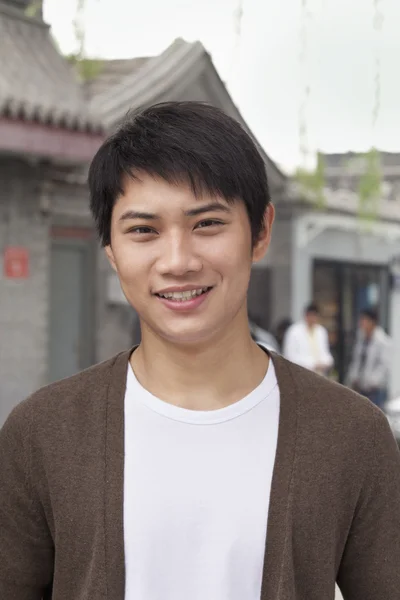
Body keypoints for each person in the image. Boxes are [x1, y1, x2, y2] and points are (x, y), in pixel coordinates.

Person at [1, 102, 400, 600]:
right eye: (143, 230)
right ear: (111, 251)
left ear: (260, 232)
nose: (177, 262)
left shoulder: (352, 435)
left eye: (207, 223)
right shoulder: (42, 433)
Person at [346, 307, 392, 409]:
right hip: (360, 388)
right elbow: (356, 360)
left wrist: (372, 382)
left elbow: (384, 367)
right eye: (361, 320)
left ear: (373, 322)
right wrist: (353, 378)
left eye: (364, 320)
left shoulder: (383, 341)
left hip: (375, 391)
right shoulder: (361, 338)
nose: (362, 323)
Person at [283, 302, 334, 375]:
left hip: (319, 375)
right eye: (310, 315)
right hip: (300, 374)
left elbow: (325, 353)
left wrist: (326, 362)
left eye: (315, 315)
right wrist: (313, 364)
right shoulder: (294, 331)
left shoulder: (321, 331)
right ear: (305, 315)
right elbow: (289, 357)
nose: (312, 318)